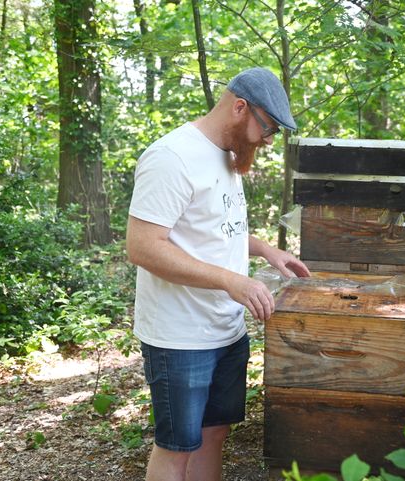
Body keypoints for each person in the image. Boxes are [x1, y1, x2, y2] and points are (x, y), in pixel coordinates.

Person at [126, 67, 311, 481]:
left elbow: (216, 230)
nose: (267, 140)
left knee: (215, 433)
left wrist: (266, 250)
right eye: (266, 128)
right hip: (179, 336)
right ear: (239, 107)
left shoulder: (227, 156)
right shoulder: (171, 157)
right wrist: (232, 281)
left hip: (226, 329)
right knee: (176, 448)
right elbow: (143, 247)